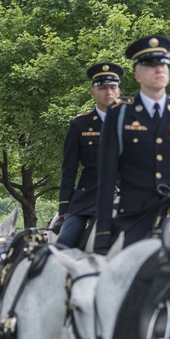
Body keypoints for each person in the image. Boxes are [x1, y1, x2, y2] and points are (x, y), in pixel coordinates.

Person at [94, 35, 170, 253]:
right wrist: (103, 238)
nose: (159, 69)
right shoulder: (120, 113)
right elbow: (106, 178)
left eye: (162, 64)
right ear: (137, 75)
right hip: (136, 220)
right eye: (150, 65)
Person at [56, 62, 122, 248]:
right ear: (93, 92)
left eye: (113, 87)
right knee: (63, 247)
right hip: (90, 198)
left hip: (131, 194)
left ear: (119, 91)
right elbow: (69, 169)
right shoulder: (79, 125)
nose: (108, 92)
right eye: (102, 88)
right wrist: (63, 209)